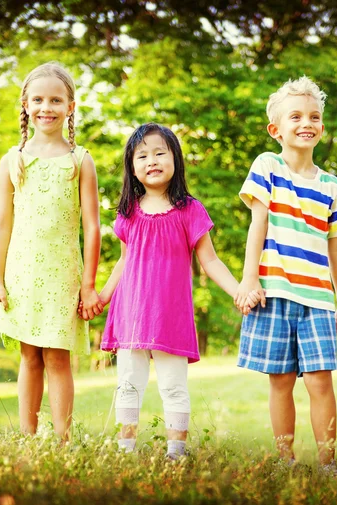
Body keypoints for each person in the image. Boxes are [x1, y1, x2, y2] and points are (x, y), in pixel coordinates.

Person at [96, 122, 259, 460]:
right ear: (132, 167)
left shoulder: (190, 210)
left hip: (170, 315)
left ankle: (176, 452)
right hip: (131, 315)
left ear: (175, 159)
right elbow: (123, 263)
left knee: (173, 385)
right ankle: (125, 449)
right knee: (128, 383)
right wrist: (102, 297)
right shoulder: (128, 213)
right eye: (142, 155)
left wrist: (238, 290)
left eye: (159, 152)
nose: (151, 160)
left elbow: (210, 262)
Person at [234, 76, 337, 476]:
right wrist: (250, 279)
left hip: (318, 299)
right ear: (277, 129)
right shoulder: (267, 166)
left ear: (322, 126)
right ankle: (286, 461)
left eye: (315, 116)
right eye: (297, 116)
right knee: (281, 380)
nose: (307, 122)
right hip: (274, 292)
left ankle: (328, 463)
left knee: (321, 382)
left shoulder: (333, 186)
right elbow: (259, 224)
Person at [0, 62, 103, 441]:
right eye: (37, 99)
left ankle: (63, 441)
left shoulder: (79, 161)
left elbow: (92, 227)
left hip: (62, 276)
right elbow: (2, 225)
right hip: (22, 277)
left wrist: (88, 286)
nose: (46, 107)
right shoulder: (12, 161)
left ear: (70, 106)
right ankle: (27, 438)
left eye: (56, 100)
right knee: (29, 358)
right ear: (25, 104)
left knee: (57, 357)